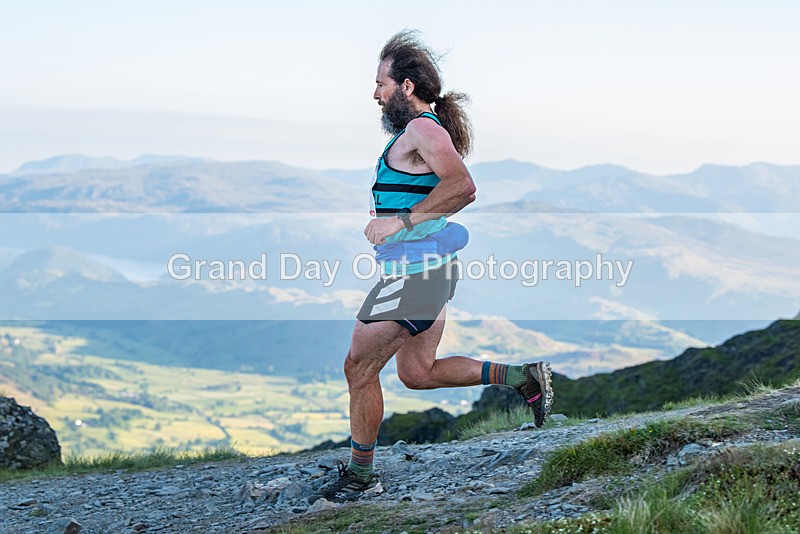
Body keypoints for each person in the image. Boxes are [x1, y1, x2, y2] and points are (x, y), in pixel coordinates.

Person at [310, 30, 553, 504]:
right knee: (417, 372)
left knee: (358, 368)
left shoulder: (424, 129)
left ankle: (361, 477)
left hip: (416, 277)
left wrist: (400, 220)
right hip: (427, 272)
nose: (374, 94)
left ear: (405, 86)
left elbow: (463, 187)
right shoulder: (416, 132)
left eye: (380, 83)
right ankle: (523, 378)